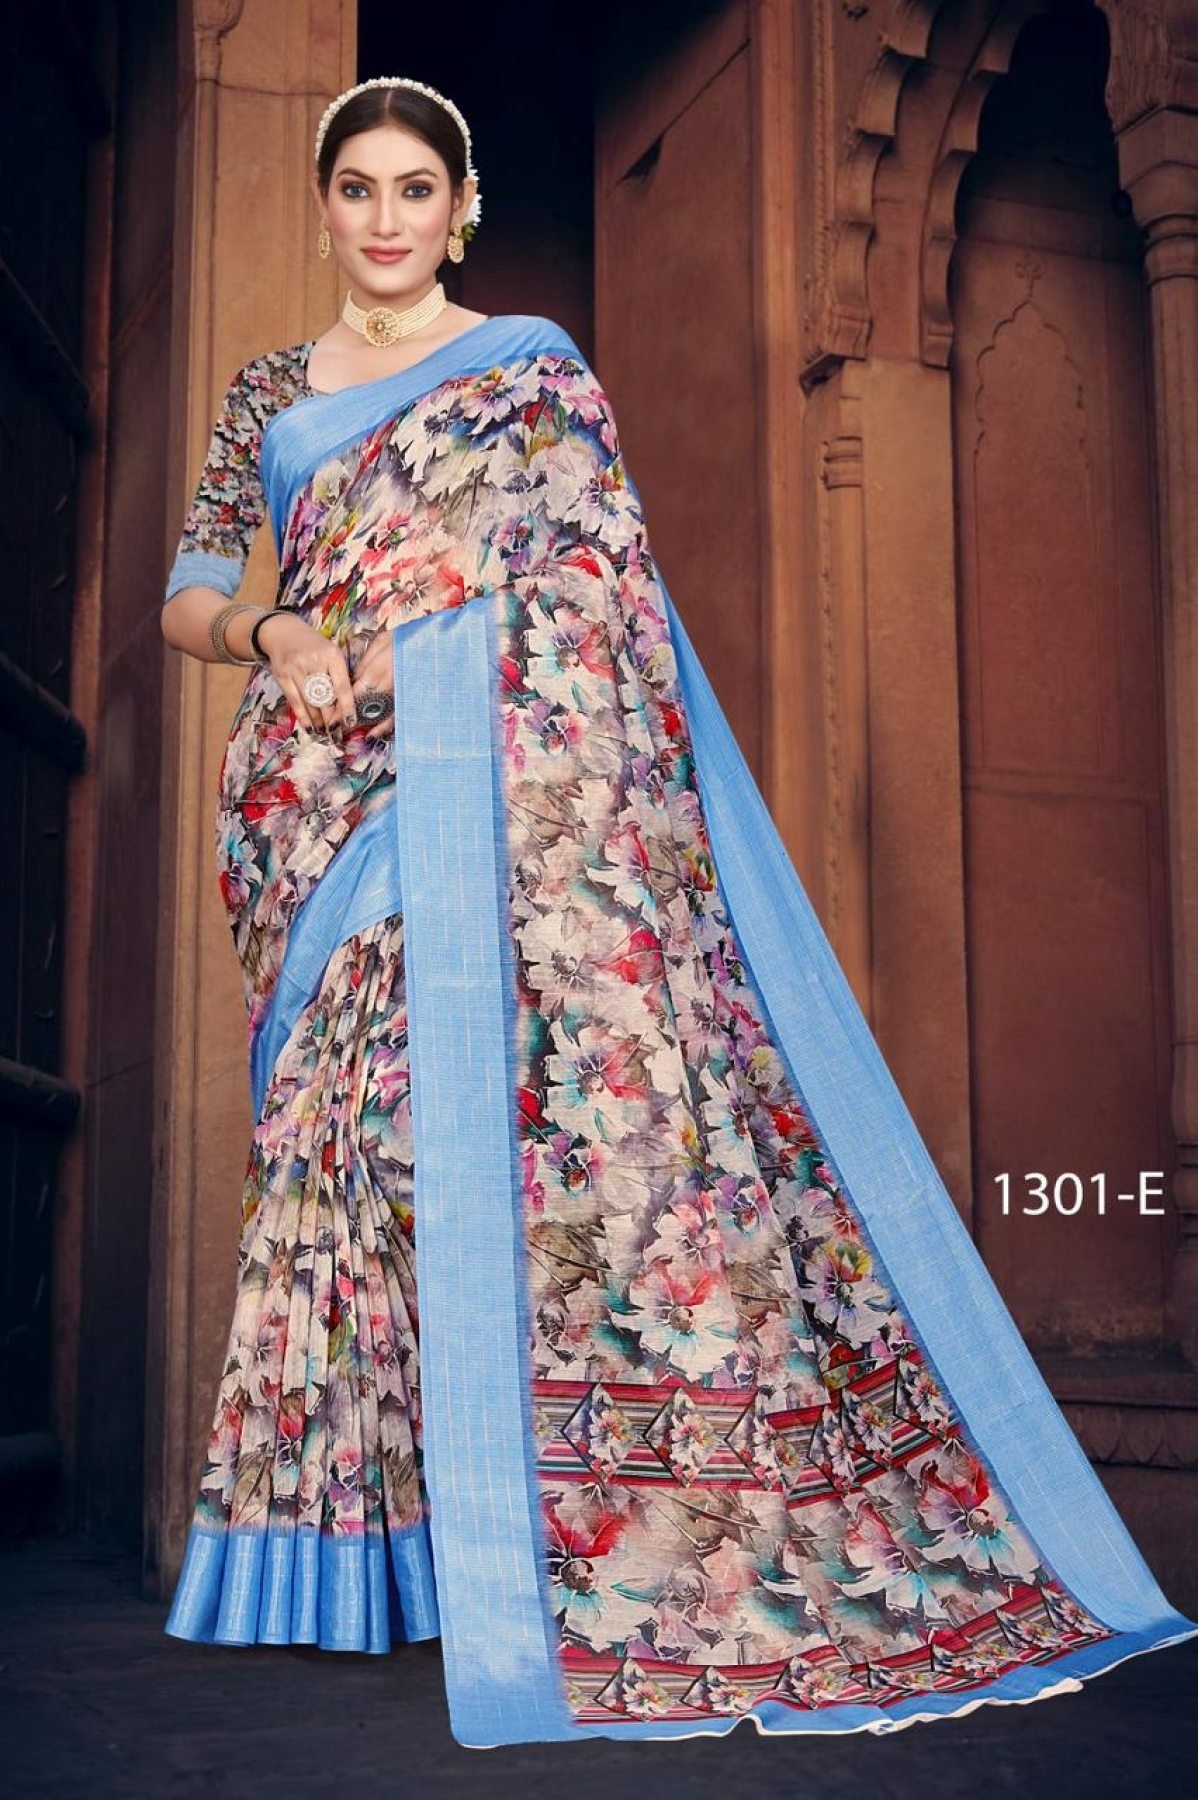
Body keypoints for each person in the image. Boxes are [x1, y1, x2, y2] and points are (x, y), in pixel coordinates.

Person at [158, 75, 1197, 1751]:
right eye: (356, 188)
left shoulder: (529, 369)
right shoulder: (269, 393)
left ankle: (561, 1545)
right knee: (341, 1145)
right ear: (326, 204)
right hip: (309, 795)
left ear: (459, 208)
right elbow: (191, 588)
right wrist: (273, 637)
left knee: (463, 1129)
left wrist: (436, 644)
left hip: (489, 770)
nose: (383, 219)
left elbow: (594, 580)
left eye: (414, 188)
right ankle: (362, 1567)